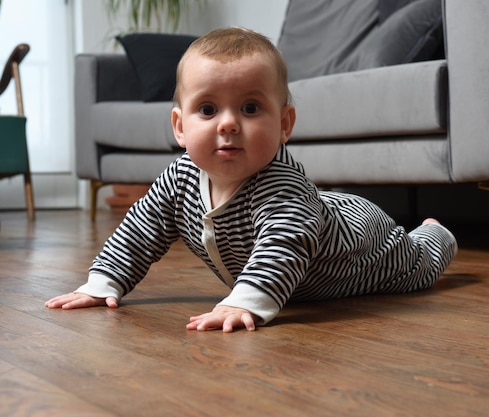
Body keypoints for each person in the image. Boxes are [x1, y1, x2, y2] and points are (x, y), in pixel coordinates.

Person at [45, 27, 458, 332]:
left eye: (249, 107)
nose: (228, 124)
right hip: (321, 209)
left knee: (417, 267)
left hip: (363, 247)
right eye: (207, 110)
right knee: (310, 207)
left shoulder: (284, 195)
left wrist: (243, 301)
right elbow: (141, 229)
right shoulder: (180, 178)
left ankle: (434, 234)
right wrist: (103, 282)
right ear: (180, 126)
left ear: (284, 124)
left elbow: (283, 244)